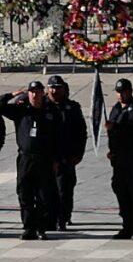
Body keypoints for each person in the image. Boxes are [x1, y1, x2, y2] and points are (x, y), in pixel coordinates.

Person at [0, 79, 59, 237]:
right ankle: (29, 227)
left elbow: (59, 137)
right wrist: (12, 94)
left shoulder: (50, 112)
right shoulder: (21, 110)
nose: (34, 95)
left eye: (37, 92)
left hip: (44, 159)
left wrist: (57, 160)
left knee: (42, 195)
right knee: (24, 193)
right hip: (26, 159)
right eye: (31, 92)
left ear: (42, 93)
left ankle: (41, 227)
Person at [103, 78, 133, 238]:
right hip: (119, 159)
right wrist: (111, 150)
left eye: (124, 92)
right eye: (118, 92)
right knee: (120, 189)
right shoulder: (116, 109)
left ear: (130, 91)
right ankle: (126, 224)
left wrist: (115, 127)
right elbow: (113, 135)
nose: (121, 95)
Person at [42, 74, 82, 229]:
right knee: (45, 190)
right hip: (46, 157)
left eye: (58, 88)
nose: (54, 91)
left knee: (64, 190)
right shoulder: (41, 106)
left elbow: (80, 132)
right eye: (51, 88)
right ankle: (48, 218)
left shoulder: (72, 107)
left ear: (64, 89)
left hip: (66, 156)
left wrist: (78, 154)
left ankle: (63, 218)